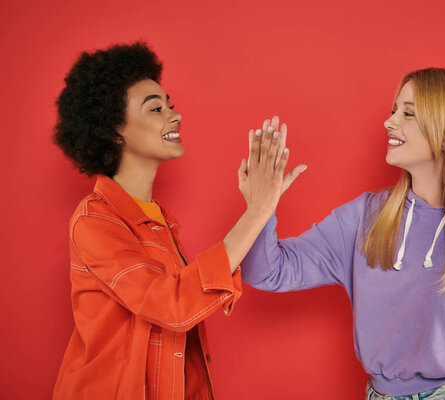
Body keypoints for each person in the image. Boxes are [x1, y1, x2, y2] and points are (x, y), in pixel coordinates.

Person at [241, 68, 445, 399]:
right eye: (393, 110)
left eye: (408, 113)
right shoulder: (365, 217)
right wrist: (260, 208)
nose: (390, 122)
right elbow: (266, 272)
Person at [52, 42, 305, 399]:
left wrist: (260, 209)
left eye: (170, 104)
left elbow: (183, 328)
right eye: (155, 108)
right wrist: (257, 212)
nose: (174, 114)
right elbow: (172, 305)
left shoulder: (159, 221)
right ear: (113, 130)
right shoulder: (94, 221)